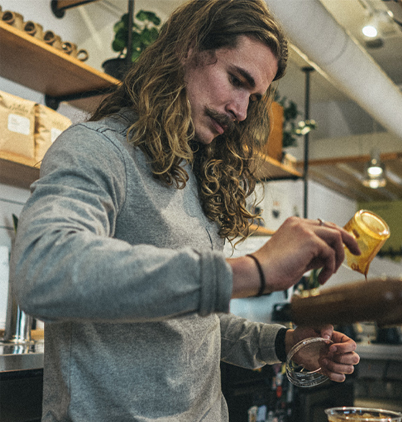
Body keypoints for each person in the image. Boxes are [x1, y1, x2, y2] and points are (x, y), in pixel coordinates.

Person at [10, 0, 361, 421]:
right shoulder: (97, 149)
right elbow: (42, 273)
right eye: (236, 79)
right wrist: (255, 270)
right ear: (187, 49)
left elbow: (191, 326)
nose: (241, 109)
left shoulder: (197, 174)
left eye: (254, 96)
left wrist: (284, 343)